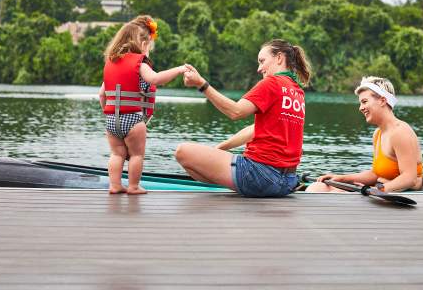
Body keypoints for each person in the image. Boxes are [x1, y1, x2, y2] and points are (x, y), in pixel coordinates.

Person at [175, 39, 312, 197]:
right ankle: (239, 180)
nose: (259, 69)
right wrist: (217, 151)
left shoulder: (272, 83)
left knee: (183, 152)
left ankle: (243, 183)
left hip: (261, 177)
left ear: (279, 58)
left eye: (262, 61)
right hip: (287, 182)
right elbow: (255, 130)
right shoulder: (297, 90)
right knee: (200, 162)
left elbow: (236, 112)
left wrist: (201, 84)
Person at [99, 15, 187, 195]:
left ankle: (115, 185)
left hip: (111, 120)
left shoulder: (111, 62)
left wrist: (107, 113)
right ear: (143, 43)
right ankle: (133, 186)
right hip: (132, 120)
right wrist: (178, 69)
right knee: (137, 155)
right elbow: (155, 78)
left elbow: (102, 94)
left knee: (117, 154)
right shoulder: (139, 63)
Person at [306, 76, 423, 193]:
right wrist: (342, 178)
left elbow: (410, 178)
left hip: (392, 196)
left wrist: (377, 189)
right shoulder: (378, 134)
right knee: (317, 187)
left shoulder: (400, 132)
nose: (360, 108)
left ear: (382, 101)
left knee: (330, 193)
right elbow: (376, 174)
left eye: (364, 102)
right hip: (378, 191)